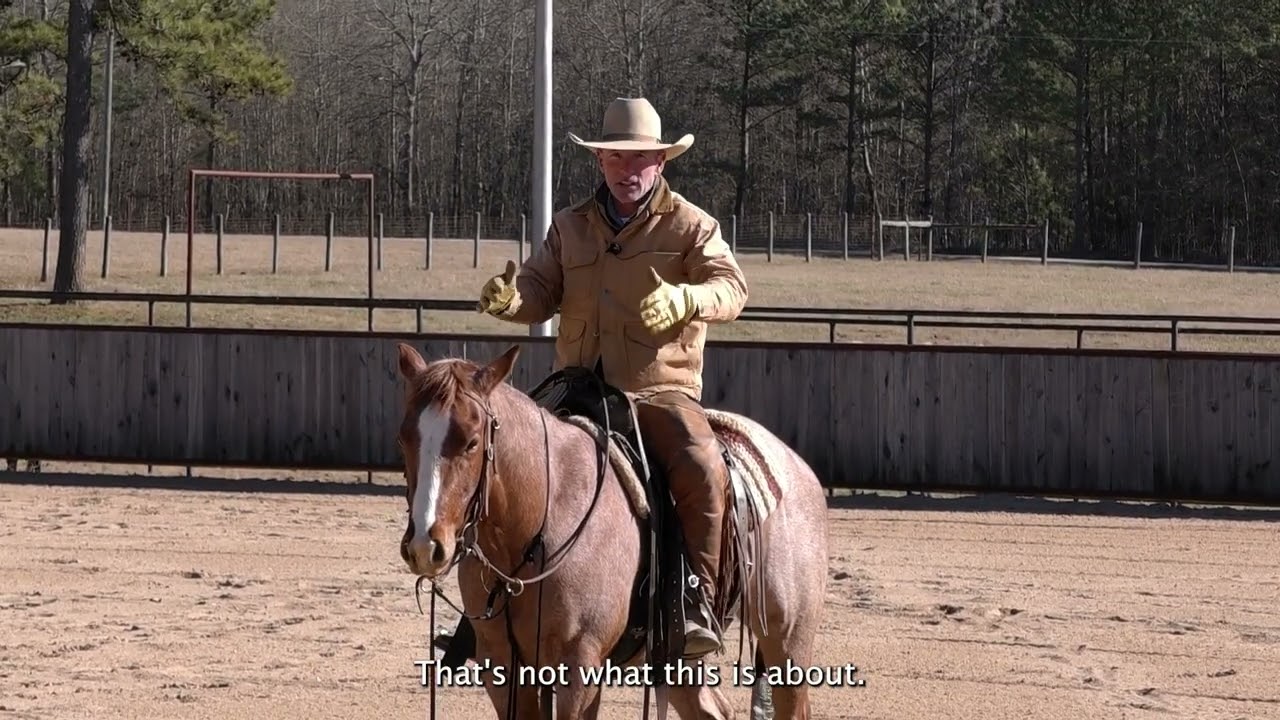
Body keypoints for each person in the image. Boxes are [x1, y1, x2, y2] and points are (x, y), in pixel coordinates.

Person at [477, 97, 748, 659]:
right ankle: (483, 613)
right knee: (497, 453)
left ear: (662, 162)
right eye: (617, 158)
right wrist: (511, 300)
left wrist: (687, 296)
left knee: (700, 464)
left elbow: (733, 288)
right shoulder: (570, 226)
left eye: (642, 158)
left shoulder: (692, 225)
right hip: (573, 386)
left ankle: (694, 602)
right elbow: (539, 289)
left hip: (655, 390)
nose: (630, 170)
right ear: (599, 160)